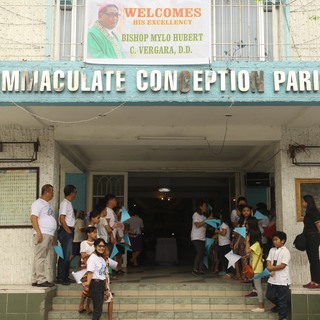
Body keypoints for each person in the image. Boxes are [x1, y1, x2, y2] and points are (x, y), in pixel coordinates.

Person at [30, 184, 57, 287]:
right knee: (40, 257)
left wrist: (52, 235)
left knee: (40, 257)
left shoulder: (47, 204)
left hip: (48, 234)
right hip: (43, 233)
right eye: (52, 192)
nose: (53, 194)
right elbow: (33, 218)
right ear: (47, 192)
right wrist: (39, 232)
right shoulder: (38, 203)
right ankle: (41, 280)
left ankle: (35, 279)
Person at [266, 231, 291, 320]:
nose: (274, 241)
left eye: (276, 239)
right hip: (272, 278)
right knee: (269, 295)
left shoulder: (286, 251)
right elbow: (268, 260)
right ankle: (279, 306)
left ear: (283, 241)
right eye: (273, 240)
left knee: (282, 299)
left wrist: (272, 269)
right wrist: (270, 267)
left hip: (282, 280)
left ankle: (283, 317)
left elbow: (283, 265)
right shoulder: (272, 250)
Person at [57, 184, 77, 285]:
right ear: (72, 192)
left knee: (67, 254)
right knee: (64, 255)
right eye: (75, 192)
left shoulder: (68, 203)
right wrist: (68, 230)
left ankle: (65, 276)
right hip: (66, 231)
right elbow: (62, 218)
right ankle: (61, 277)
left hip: (69, 230)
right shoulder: (65, 203)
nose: (76, 194)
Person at [301, 194, 320, 289]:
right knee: (312, 260)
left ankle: (317, 281)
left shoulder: (314, 212)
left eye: (303, 201)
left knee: (315, 260)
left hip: (313, 237)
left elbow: (318, 225)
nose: (302, 203)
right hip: (308, 236)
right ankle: (313, 280)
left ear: (307, 202)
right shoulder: (308, 212)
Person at [246, 219, 265, 313]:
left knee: (258, 287)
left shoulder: (256, 244)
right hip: (257, 267)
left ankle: (261, 306)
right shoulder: (257, 244)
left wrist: (246, 241)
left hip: (256, 268)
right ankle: (261, 305)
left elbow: (246, 251)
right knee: (258, 286)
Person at [190, 200, 213, 276]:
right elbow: (197, 225)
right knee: (199, 252)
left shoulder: (204, 217)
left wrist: (211, 220)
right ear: (200, 207)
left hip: (202, 237)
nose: (206, 208)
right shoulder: (195, 214)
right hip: (196, 237)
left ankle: (200, 270)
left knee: (202, 253)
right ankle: (195, 269)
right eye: (204, 206)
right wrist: (207, 220)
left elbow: (206, 226)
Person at [78, 226, 98, 314]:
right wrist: (92, 254)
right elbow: (83, 255)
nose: (95, 234)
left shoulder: (97, 244)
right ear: (88, 234)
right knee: (87, 287)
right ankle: (82, 304)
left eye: (96, 232)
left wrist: (88, 254)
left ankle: (86, 305)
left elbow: (96, 255)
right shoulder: (83, 243)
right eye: (93, 232)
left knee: (91, 288)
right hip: (85, 267)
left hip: (93, 268)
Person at [215, 208, 233, 277]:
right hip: (224, 243)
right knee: (225, 258)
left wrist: (217, 231)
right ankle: (227, 271)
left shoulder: (224, 224)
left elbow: (224, 233)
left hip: (224, 244)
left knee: (225, 259)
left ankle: (228, 272)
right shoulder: (225, 224)